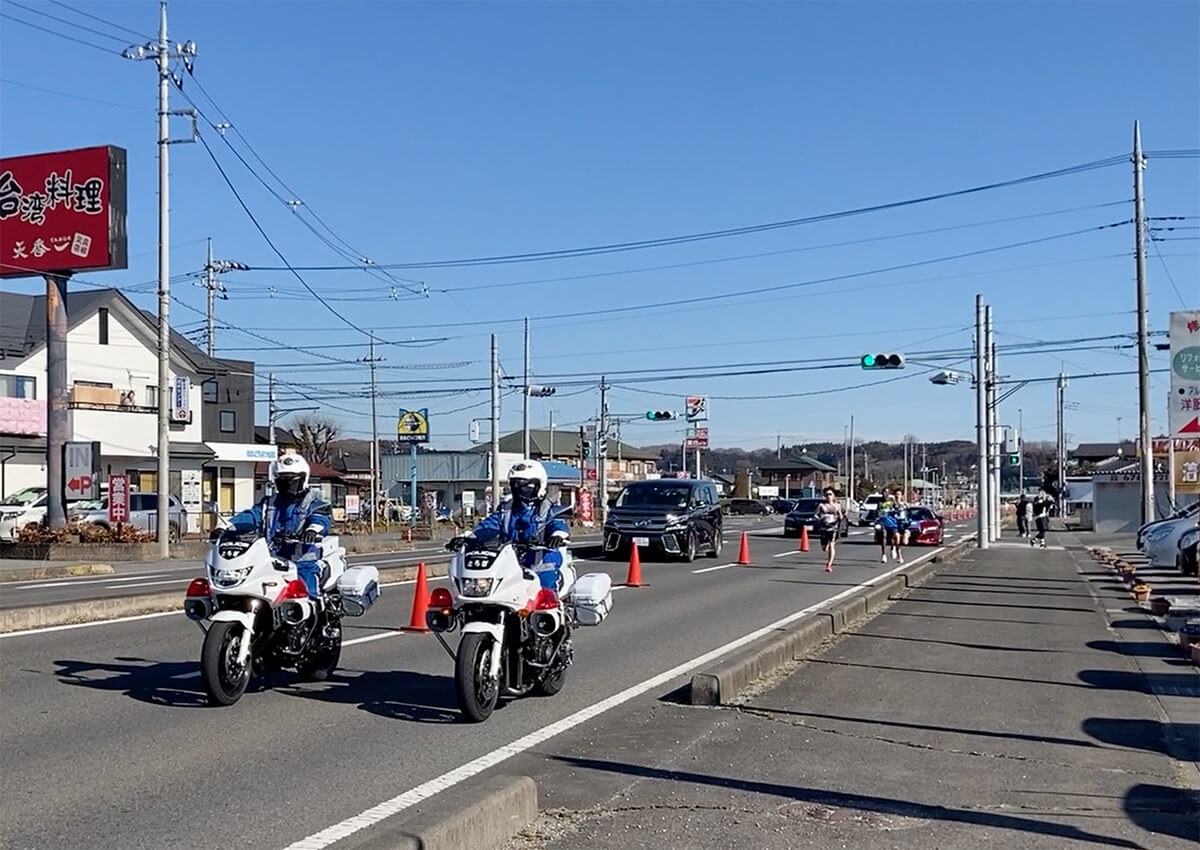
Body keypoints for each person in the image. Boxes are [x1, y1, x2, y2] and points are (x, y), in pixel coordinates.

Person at [447, 460, 570, 591]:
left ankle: (554, 609)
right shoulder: (506, 509)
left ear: (540, 485)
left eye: (527, 487)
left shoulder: (548, 508)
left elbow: (557, 524)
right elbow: (488, 526)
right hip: (510, 563)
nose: (521, 490)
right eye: (516, 485)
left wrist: (557, 536)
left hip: (542, 564)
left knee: (545, 594)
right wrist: (468, 538)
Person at [224, 453, 331, 598]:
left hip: (302, 562)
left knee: (307, 594)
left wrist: (312, 530)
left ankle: (317, 616)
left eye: (291, 480)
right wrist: (225, 526)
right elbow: (251, 516)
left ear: (303, 478)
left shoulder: (315, 504)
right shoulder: (269, 503)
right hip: (269, 561)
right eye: (282, 480)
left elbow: (320, 519)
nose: (287, 484)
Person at [814, 487, 844, 573]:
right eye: (826, 495)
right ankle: (825, 544)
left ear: (834, 496)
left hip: (833, 528)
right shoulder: (821, 506)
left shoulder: (837, 506)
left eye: (830, 494)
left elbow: (840, 516)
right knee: (824, 548)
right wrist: (820, 519)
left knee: (832, 545)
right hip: (824, 528)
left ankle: (829, 564)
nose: (828, 496)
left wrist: (840, 518)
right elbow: (815, 515)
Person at [877, 487, 908, 564]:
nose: (885, 494)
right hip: (883, 521)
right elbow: (878, 512)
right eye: (884, 492)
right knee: (883, 535)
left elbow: (897, 508)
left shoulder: (892, 501)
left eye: (886, 492)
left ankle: (892, 548)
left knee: (893, 537)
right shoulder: (879, 502)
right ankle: (883, 554)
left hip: (892, 522)